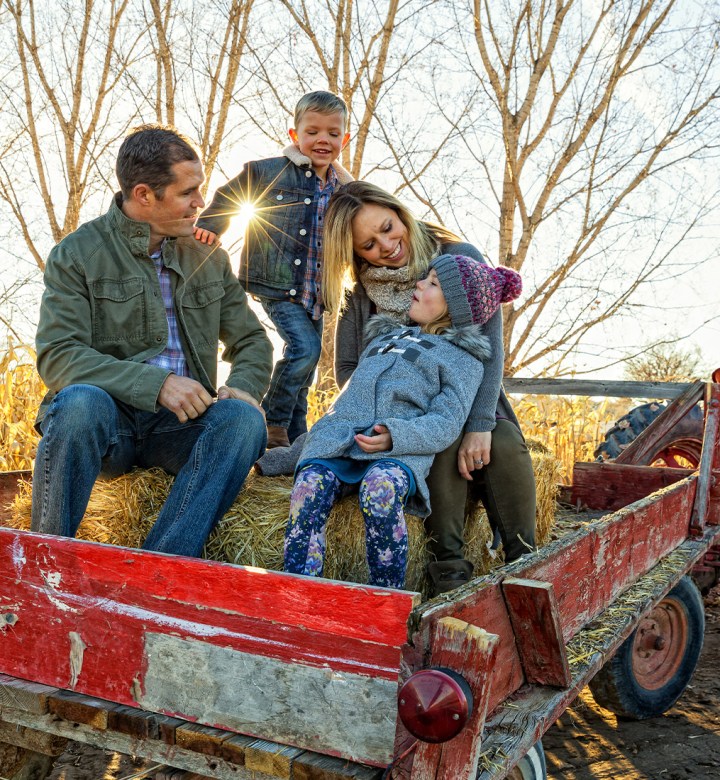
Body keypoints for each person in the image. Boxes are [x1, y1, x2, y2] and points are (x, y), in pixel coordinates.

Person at [31, 124, 272, 558]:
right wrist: (156, 385)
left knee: (242, 421)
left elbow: (253, 340)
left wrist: (244, 389)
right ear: (144, 194)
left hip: (178, 429)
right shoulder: (77, 253)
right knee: (80, 402)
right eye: (188, 193)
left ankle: (163, 570)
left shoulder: (209, 256)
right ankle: (45, 563)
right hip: (110, 425)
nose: (201, 202)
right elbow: (58, 355)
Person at [322, 181, 537, 594]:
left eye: (387, 227)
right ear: (354, 253)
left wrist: (478, 425)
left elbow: (488, 352)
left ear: (399, 212)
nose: (385, 245)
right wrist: (388, 397)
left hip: (470, 397)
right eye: (368, 244)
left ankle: (526, 563)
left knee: (502, 439)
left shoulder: (457, 261)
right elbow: (347, 368)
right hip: (397, 416)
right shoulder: (362, 295)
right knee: (432, 443)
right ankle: (449, 576)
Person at [284, 255, 522, 588]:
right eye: (424, 278)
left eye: (433, 283)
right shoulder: (383, 341)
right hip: (341, 443)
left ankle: (386, 599)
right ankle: (297, 591)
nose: (419, 284)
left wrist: (396, 435)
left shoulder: (463, 361)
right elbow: (348, 398)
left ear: (454, 306)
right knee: (309, 485)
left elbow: (446, 422)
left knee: (380, 489)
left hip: (396, 454)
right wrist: (313, 441)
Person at [194, 90, 353, 449]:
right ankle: (274, 421)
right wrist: (213, 224)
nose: (322, 140)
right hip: (278, 283)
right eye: (312, 131)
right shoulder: (270, 170)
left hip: (318, 291)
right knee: (305, 348)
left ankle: (294, 438)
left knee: (306, 366)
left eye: (332, 133)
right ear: (294, 136)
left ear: (344, 139)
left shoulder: (346, 190)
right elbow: (233, 193)